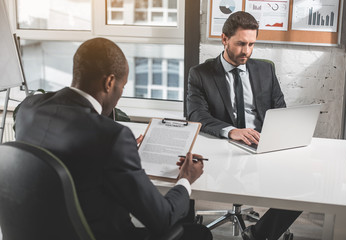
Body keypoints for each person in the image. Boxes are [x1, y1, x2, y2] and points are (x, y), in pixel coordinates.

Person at [15, 37, 212, 240]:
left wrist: (119, 154)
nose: (120, 93)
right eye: (122, 86)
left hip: (40, 232)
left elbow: (66, 155)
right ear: (109, 82)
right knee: (199, 234)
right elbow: (164, 218)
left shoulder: (28, 108)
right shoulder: (112, 137)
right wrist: (185, 179)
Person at [187, 11, 301, 240]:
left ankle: (259, 234)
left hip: (260, 145)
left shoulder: (265, 70)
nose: (246, 51)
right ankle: (188, 232)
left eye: (251, 44)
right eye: (240, 44)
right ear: (224, 39)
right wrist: (232, 131)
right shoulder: (200, 74)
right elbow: (196, 114)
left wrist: (276, 135)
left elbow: (279, 108)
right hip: (221, 148)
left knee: (300, 186)